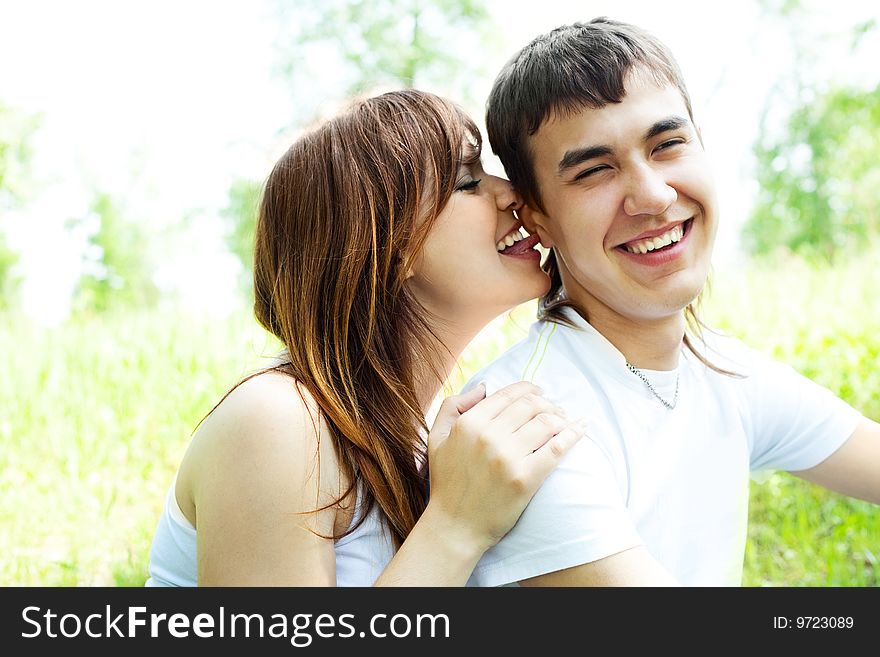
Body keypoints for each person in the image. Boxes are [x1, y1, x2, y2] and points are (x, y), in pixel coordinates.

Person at [461, 18, 880, 587]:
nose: (655, 196)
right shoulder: (530, 426)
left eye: (667, 145)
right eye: (594, 170)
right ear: (538, 220)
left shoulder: (718, 372)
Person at [145, 89, 587, 586]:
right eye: (467, 182)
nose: (511, 193)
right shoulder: (280, 422)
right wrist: (456, 527)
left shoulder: (427, 441)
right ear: (388, 245)